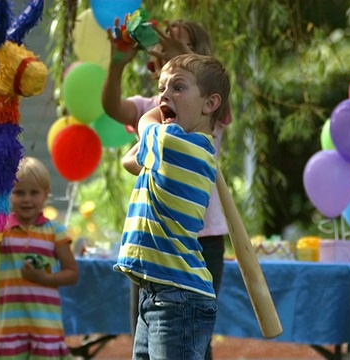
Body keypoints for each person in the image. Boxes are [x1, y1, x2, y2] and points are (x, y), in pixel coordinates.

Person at [103, 18, 230, 359]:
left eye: (177, 87)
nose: (164, 95)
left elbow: (143, 134)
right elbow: (132, 161)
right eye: (161, 88)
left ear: (210, 103)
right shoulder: (168, 139)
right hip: (157, 289)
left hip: (178, 297)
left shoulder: (179, 143)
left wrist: (153, 121)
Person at [0, 156, 78, 359]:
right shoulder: (3, 229)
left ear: (46, 194)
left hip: (45, 326)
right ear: (8, 195)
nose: (26, 199)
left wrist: (44, 279)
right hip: (12, 327)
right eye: (19, 193)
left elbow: (72, 273)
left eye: (34, 192)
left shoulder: (55, 231)